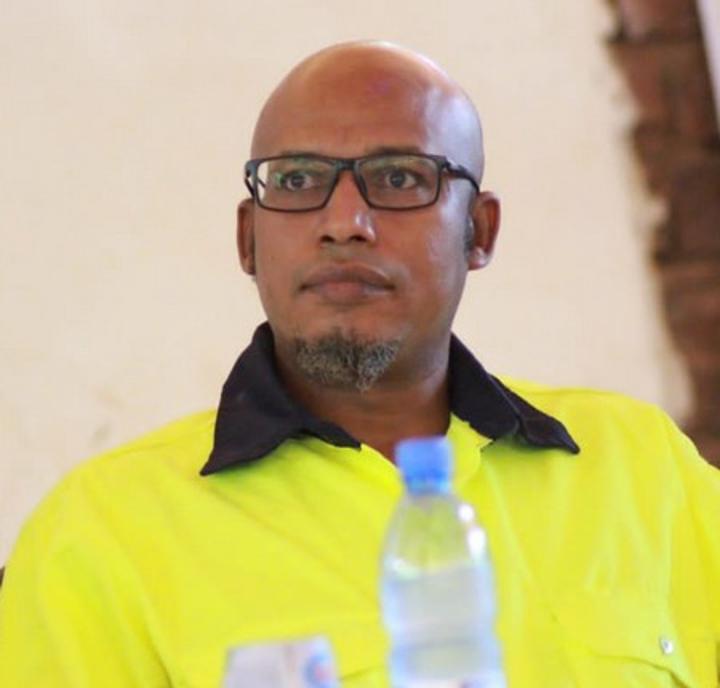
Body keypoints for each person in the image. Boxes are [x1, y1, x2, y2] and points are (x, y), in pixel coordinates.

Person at [0, 41, 718, 687]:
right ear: (249, 240)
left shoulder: (642, 467)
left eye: (400, 177)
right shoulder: (100, 536)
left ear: (478, 230)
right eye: (296, 181)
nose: (344, 223)